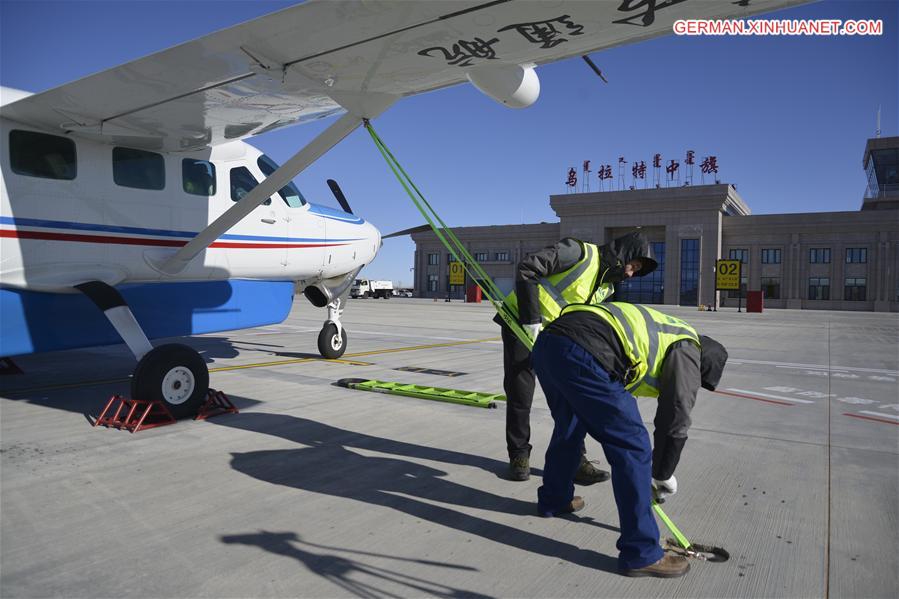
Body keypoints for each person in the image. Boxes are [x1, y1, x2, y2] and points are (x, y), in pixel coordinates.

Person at [531, 301, 728, 578]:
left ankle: (554, 499)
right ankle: (642, 552)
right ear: (702, 362)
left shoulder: (671, 332)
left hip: (549, 344)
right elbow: (675, 418)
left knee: (571, 422)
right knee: (633, 445)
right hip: (583, 349)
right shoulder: (687, 352)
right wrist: (662, 474)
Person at [496, 232, 658, 482]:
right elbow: (528, 268)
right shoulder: (579, 253)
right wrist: (531, 319)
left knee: (571, 399)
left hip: (556, 338)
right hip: (521, 324)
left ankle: (575, 460)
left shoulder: (608, 287)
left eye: (636, 272)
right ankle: (519, 455)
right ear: (625, 254)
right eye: (632, 265)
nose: (630, 274)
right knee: (520, 393)